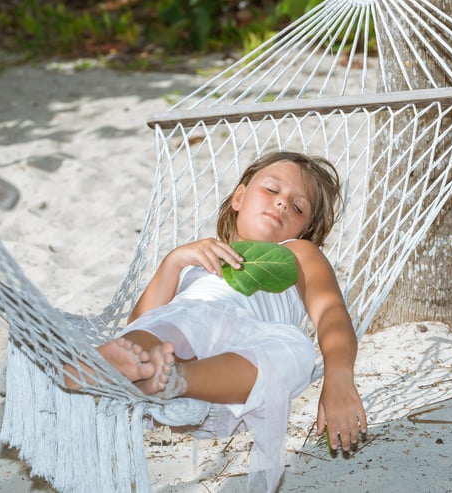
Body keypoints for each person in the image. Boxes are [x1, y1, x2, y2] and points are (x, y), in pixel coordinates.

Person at [67, 151, 367, 491]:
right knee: (183, 319)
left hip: (231, 370)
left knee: (296, 350)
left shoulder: (297, 253)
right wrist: (175, 261)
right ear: (239, 197)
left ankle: (173, 381)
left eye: (298, 207)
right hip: (184, 328)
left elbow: (330, 312)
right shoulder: (199, 259)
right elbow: (140, 322)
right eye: (272, 190)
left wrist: (339, 375)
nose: (283, 203)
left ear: (304, 230)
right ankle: (101, 368)